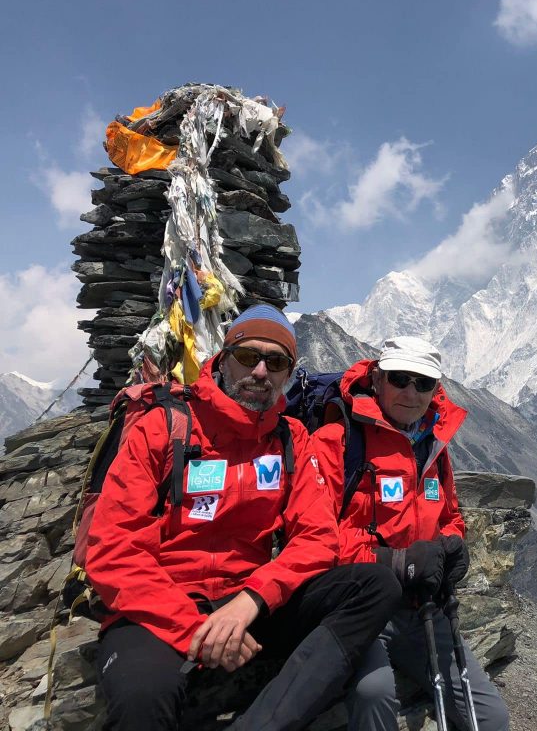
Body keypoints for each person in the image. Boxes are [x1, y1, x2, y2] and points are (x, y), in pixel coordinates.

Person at [86, 304, 402, 730]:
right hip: (159, 604)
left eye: (276, 362)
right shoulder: (163, 427)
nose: (260, 372)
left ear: (288, 374)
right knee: (142, 698)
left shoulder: (291, 439)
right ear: (223, 358)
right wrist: (197, 629)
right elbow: (114, 549)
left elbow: (317, 538)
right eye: (248, 356)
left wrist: (250, 601)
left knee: (375, 584)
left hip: (249, 598)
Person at [304, 336, 510, 731]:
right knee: (373, 694)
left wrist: (453, 544)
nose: (411, 393)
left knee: (490, 718)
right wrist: (395, 562)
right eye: (400, 379)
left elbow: (449, 516)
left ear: (436, 389)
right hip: (359, 607)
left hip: (422, 607)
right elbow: (315, 537)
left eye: (423, 383)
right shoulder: (338, 441)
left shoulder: (433, 445)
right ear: (377, 378)